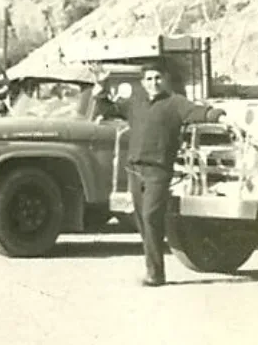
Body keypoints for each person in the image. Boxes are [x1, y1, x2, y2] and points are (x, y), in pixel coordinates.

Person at [94, 63, 227, 287]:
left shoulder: (175, 103)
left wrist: (220, 117)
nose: (153, 83)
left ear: (164, 79)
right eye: (149, 79)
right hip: (135, 170)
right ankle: (153, 269)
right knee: (142, 221)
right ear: (143, 82)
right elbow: (108, 109)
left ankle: (155, 274)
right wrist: (100, 85)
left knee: (150, 217)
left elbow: (198, 112)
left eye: (157, 78)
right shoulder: (135, 103)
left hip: (158, 171)